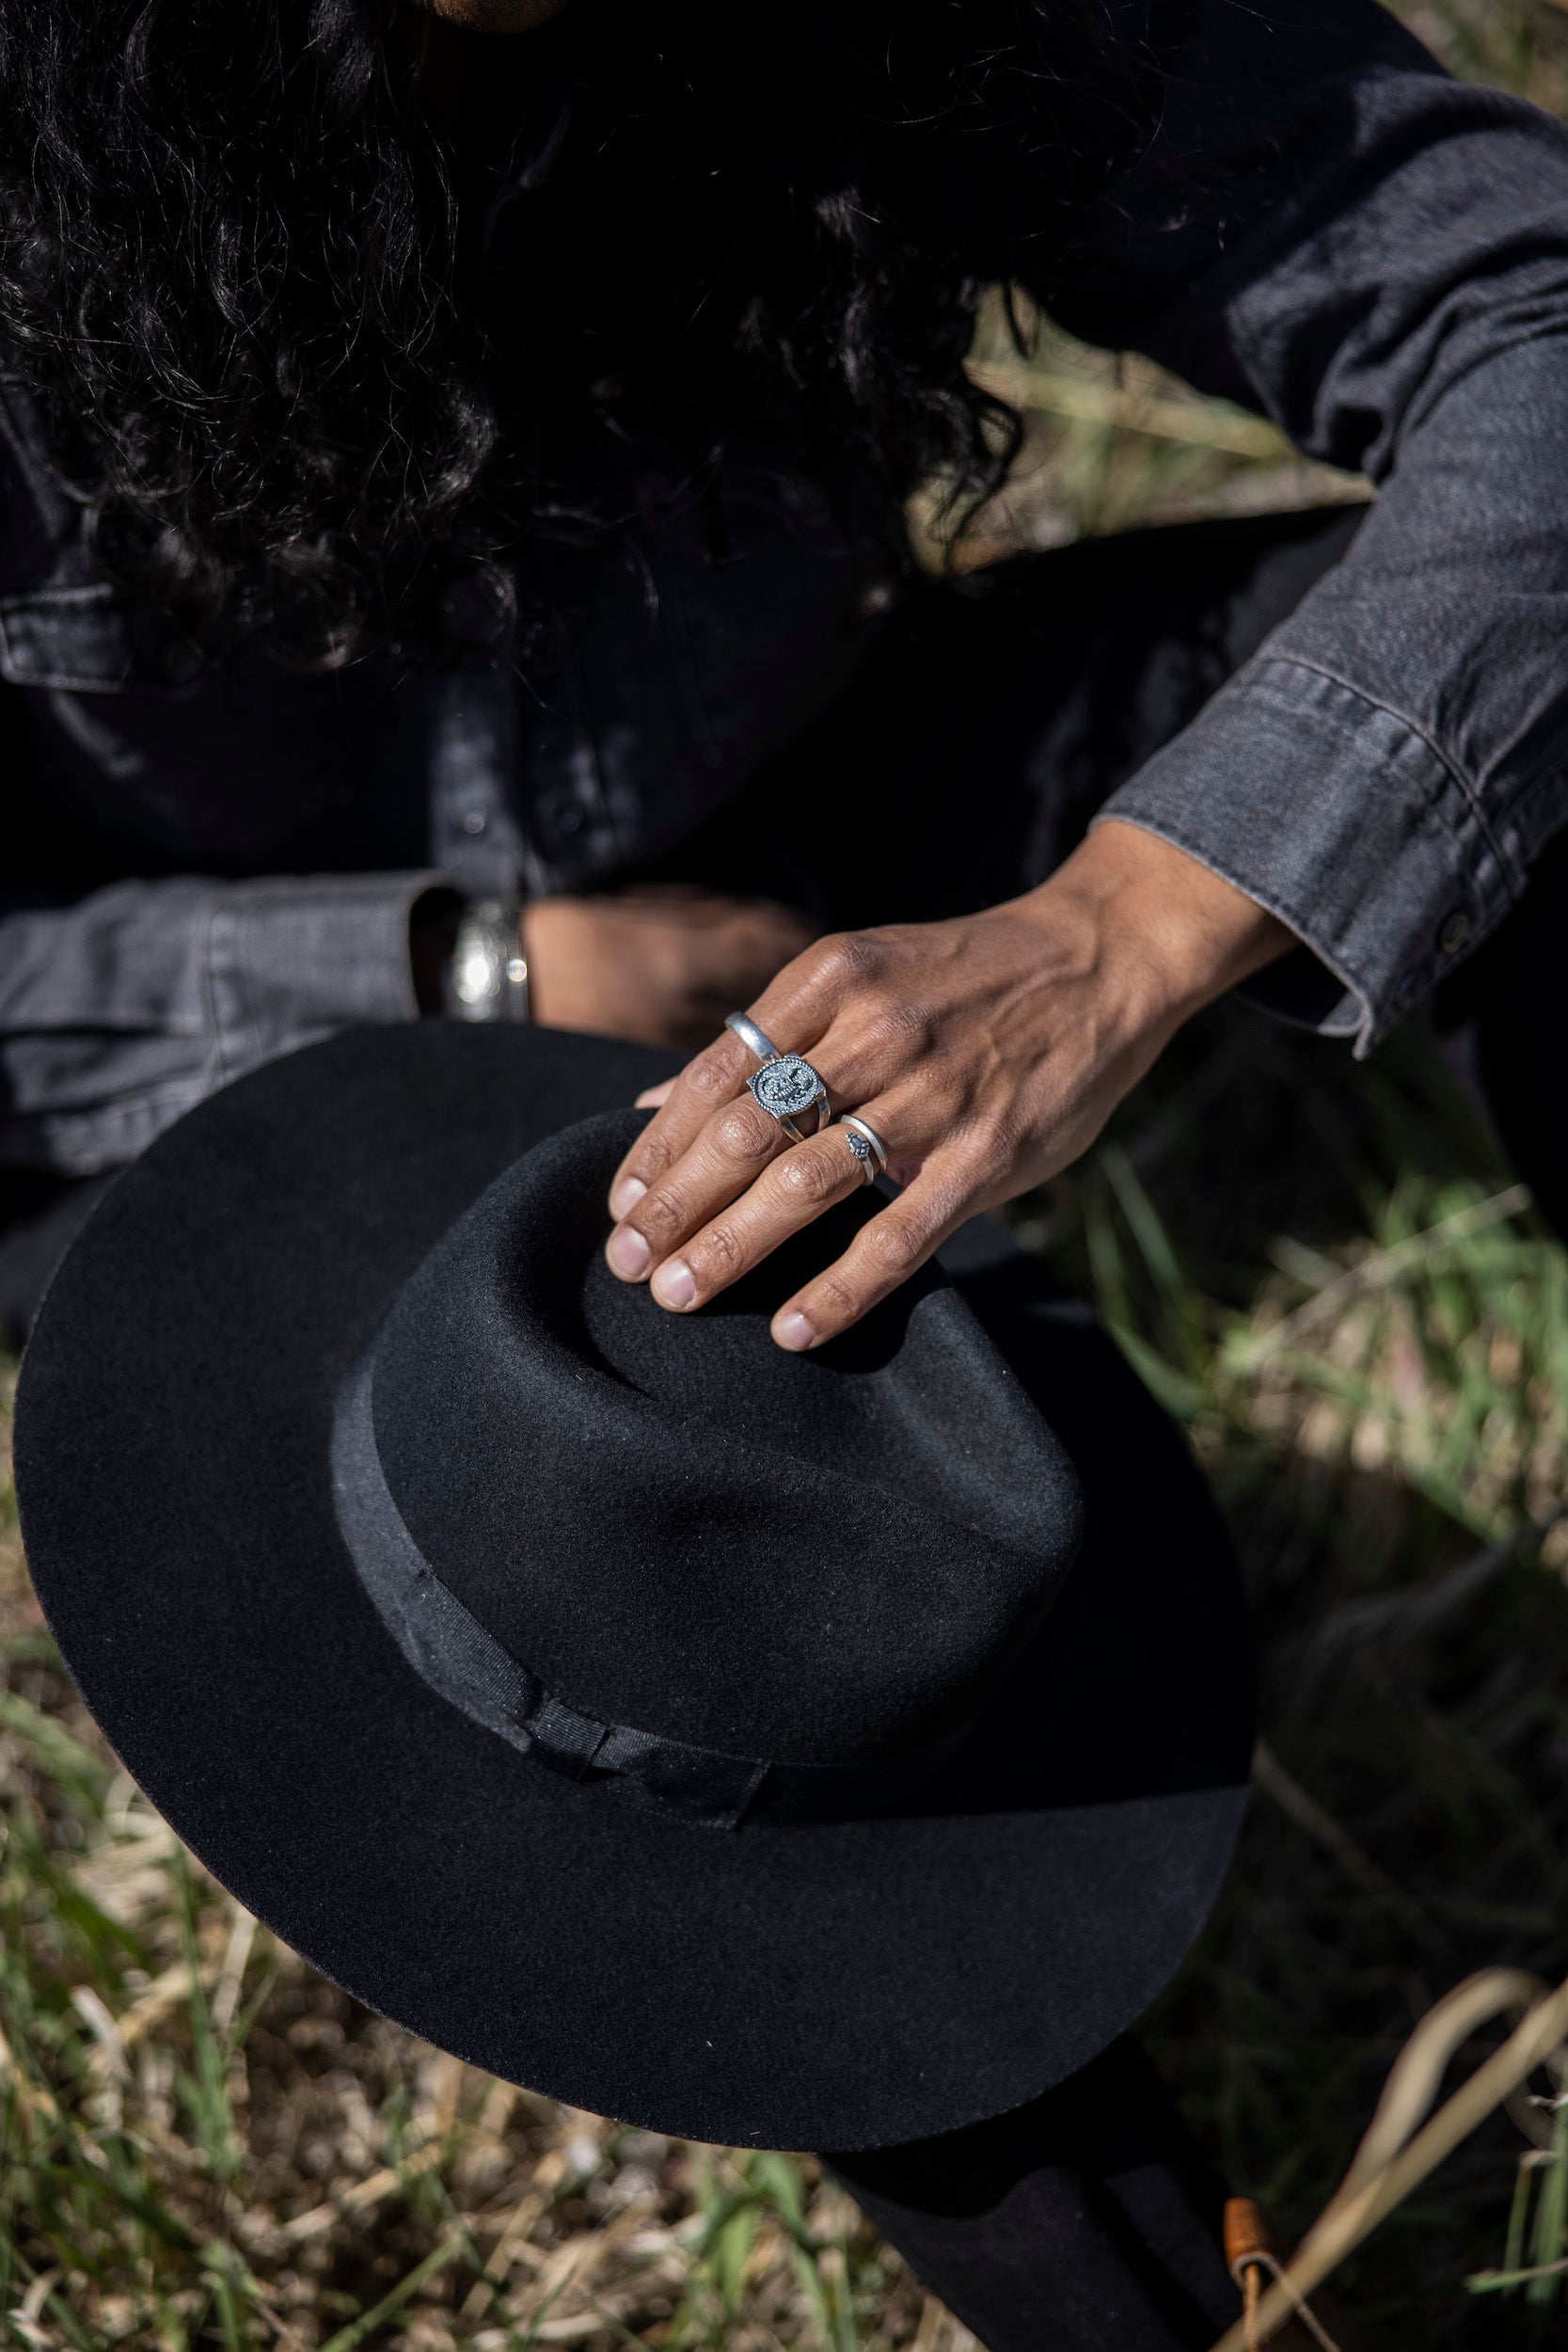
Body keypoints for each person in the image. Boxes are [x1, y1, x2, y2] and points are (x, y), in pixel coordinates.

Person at [2, 0, 1564, 2334]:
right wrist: (470, 968)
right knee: (661, 1538)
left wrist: (1128, 925)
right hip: (171, 1036)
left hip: (832, 836)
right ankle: (1179, 2287)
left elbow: (1532, 314)